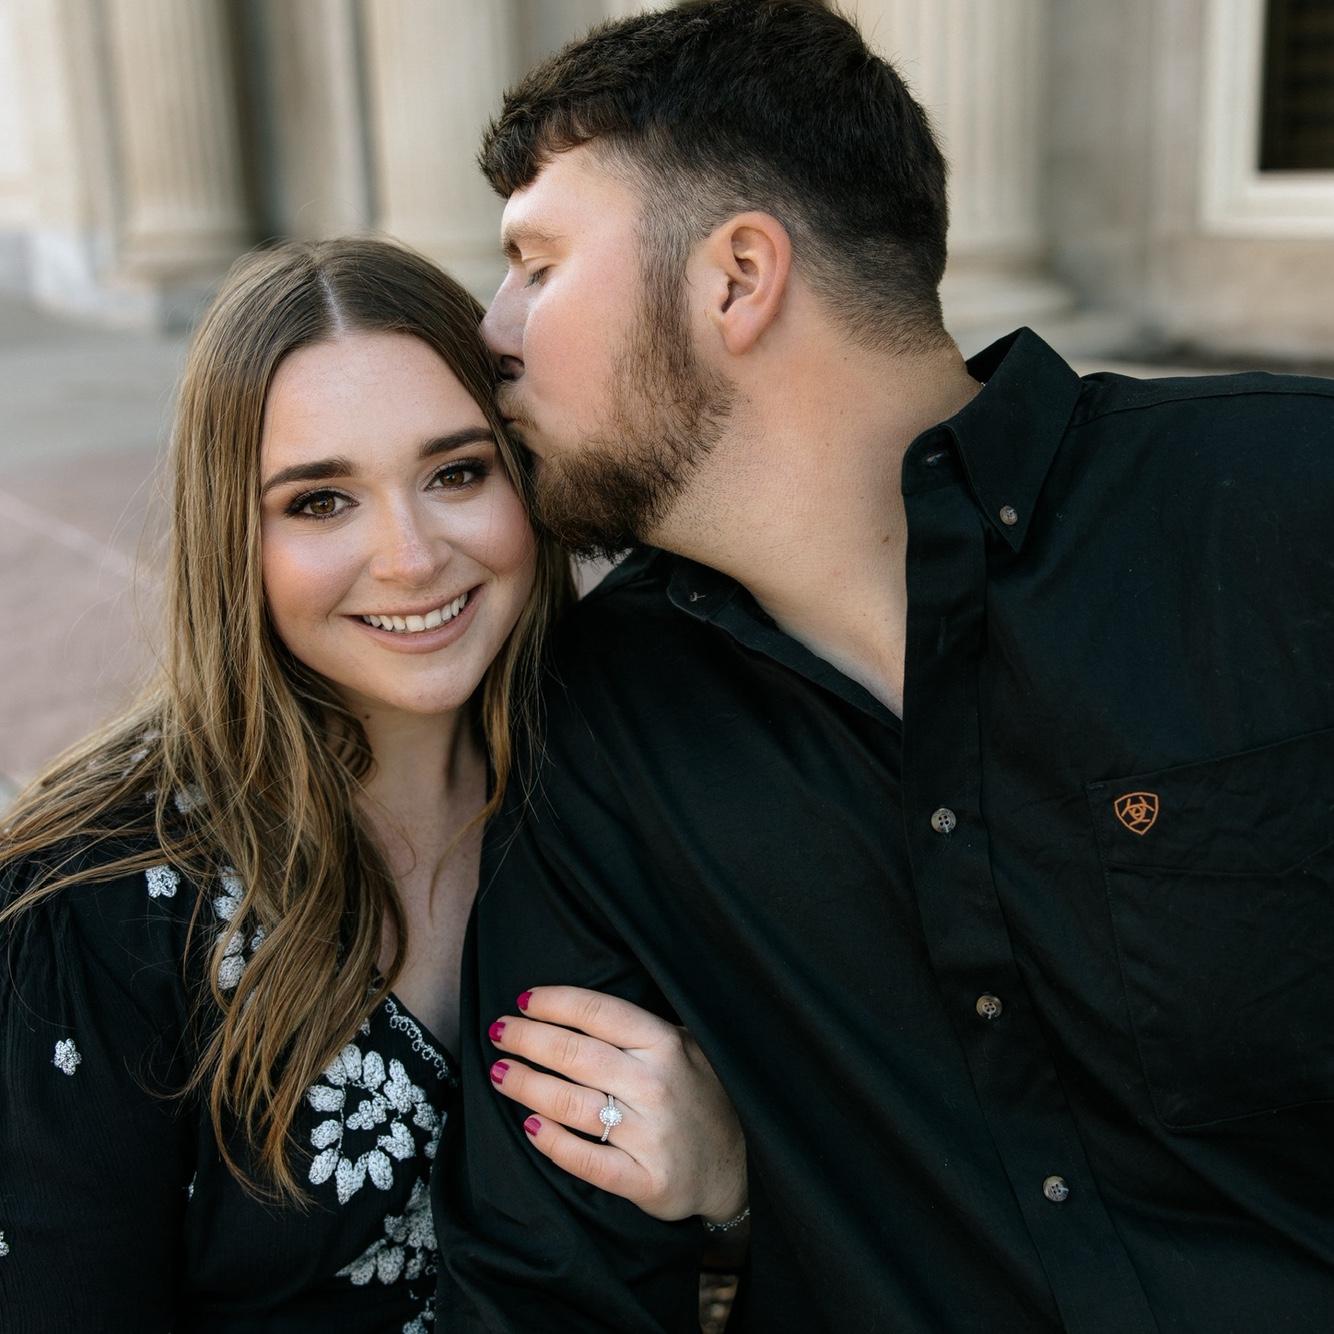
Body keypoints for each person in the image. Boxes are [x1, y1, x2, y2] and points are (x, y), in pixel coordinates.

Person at [436, 2, 1334, 1331]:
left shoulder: (1285, 510)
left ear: (736, 277)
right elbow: (543, 1285)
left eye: (536, 264)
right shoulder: (597, 720)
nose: (491, 331)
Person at [0, 237, 746, 1333]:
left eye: (456, 473)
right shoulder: (91, 901)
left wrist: (730, 1187)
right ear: (232, 537)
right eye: (319, 501)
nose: (409, 557)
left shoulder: (629, 785)